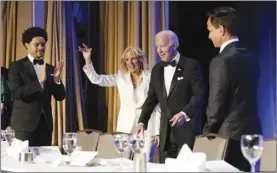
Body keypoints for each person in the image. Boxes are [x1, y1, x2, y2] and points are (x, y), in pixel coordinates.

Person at [203, 7, 261, 171]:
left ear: (221, 30)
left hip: (227, 139)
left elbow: (216, 102)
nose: (209, 36)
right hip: (252, 135)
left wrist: (208, 135)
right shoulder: (251, 56)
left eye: (210, 30)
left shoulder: (221, 60)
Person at [79, 44, 161, 162]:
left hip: (148, 126)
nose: (130, 62)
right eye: (127, 59)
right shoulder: (120, 78)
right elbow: (96, 79)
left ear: (140, 59)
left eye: (133, 58)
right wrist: (87, 59)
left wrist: (157, 131)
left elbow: (157, 105)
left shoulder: (151, 77)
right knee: (125, 161)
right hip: (125, 126)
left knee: (144, 161)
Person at [136, 30, 205, 162]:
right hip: (166, 133)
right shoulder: (156, 70)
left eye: (163, 46)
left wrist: (184, 114)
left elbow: (199, 95)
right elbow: (151, 98)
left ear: (174, 45)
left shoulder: (191, 65)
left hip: (187, 131)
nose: (159, 50)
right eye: (157, 46)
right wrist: (142, 121)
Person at [8, 27, 66, 146]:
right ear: (27, 45)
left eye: (43, 44)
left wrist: (56, 79)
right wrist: (39, 82)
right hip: (24, 126)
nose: (41, 48)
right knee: (23, 163)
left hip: (45, 126)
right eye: (37, 44)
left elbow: (60, 97)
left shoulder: (50, 68)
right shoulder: (16, 66)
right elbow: (16, 93)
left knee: (44, 162)